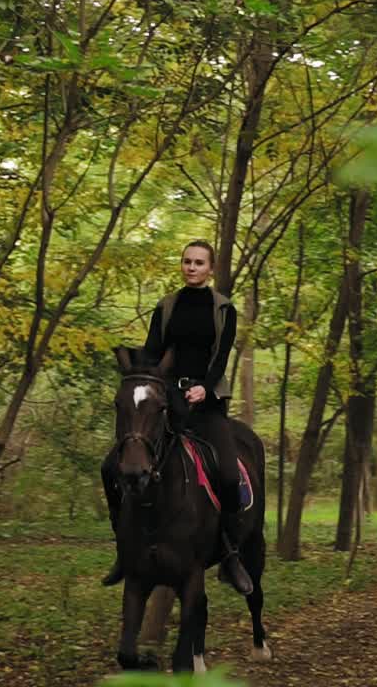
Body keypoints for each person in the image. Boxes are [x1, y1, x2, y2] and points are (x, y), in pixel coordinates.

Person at [101, 239, 254, 595]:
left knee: (229, 475)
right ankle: (125, 550)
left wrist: (206, 386)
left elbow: (221, 356)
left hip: (207, 402)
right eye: (187, 261)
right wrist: (139, 374)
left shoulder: (223, 309)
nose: (192, 267)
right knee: (111, 467)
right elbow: (154, 350)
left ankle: (230, 555)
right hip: (166, 403)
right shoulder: (166, 306)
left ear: (210, 269)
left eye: (199, 263)